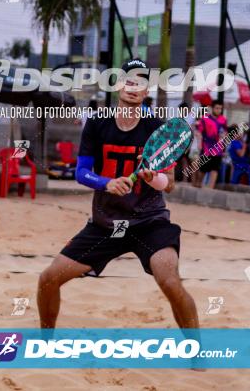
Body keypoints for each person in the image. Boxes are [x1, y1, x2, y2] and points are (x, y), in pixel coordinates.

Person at [36, 58, 199, 331]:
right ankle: (44, 341)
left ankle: (196, 350)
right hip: (105, 224)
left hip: (149, 223)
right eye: (128, 80)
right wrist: (106, 183)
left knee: (169, 280)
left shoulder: (157, 129)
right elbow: (81, 172)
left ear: (147, 91)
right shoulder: (98, 123)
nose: (133, 87)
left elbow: (169, 183)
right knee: (48, 279)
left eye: (141, 83)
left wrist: (153, 177)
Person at [194, 100, 227, 189]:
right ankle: (198, 183)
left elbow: (225, 132)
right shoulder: (205, 119)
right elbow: (199, 132)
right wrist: (199, 143)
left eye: (220, 108)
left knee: (215, 169)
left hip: (218, 149)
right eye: (217, 108)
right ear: (212, 108)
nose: (219, 110)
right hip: (206, 148)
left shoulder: (223, 120)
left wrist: (223, 139)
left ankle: (210, 188)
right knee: (204, 169)